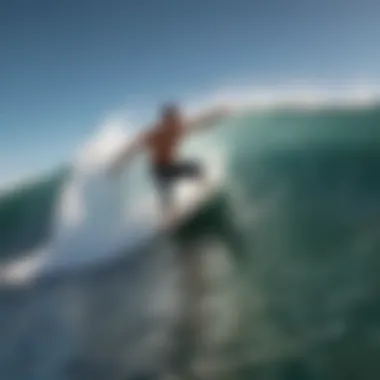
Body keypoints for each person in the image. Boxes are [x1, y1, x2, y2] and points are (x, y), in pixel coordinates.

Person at [109, 103, 230, 222]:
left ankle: (206, 192)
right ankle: (169, 221)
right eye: (171, 120)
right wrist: (119, 164)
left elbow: (200, 122)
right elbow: (134, 148)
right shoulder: (155, 134)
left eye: (176, 119)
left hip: (172, 165)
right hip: (159, 171)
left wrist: (217, 114)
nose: (175, 122)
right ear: (165, 121)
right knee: (168, 196)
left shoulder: (180, 128)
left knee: (196, 167)